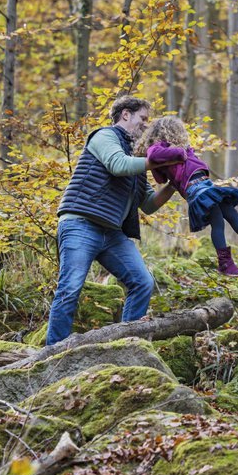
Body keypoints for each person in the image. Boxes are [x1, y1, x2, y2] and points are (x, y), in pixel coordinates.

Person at [46, 96, 178, 346]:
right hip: (80, 223)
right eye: (142, 119)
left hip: (112, 233)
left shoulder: (135, 157)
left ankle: (124, 345)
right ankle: (52, 354)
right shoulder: (105, 137)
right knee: (70, 288)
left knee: (142, 282)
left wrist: (173, 184)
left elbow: (148, 205)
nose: (145, 126)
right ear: (125, 115)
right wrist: (160, 160)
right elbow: (118, 165)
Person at [137, 115, 238, 276]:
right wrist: (179, 153)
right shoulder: (161, 148)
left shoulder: (181, 150)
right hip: (195, 189)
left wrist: (184, 152)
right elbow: (153, 157)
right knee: (218, 222)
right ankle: (225, 263)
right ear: (169, 131)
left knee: (232, 214)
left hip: (205, 185)